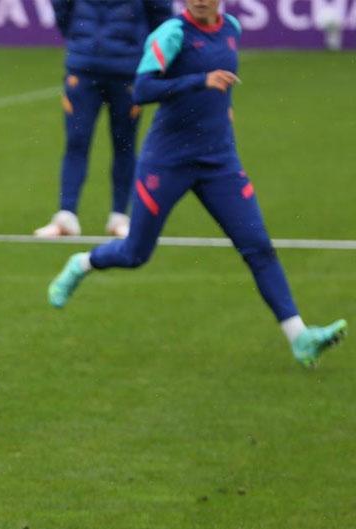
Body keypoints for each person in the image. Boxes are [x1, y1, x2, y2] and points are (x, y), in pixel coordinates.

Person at [46, 0, 347, 367]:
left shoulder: (231, 29)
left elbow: (224, 88)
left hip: (219, 161)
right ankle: (82, 263)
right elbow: (141, 90)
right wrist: (199, 82)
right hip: (168, 161)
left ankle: (300, 337)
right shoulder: (172, 34)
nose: (200, 0)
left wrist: (223, 112)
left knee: (258, 247)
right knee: (134, 253)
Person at [35, 0, 172, 239]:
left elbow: (160, 15)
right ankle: (66, 214)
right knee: (76, 141)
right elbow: (61, 8)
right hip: (83, 68)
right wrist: (81, 40)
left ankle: (120, 216)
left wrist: (137, 48)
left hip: (127, 70)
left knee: (124, 143)